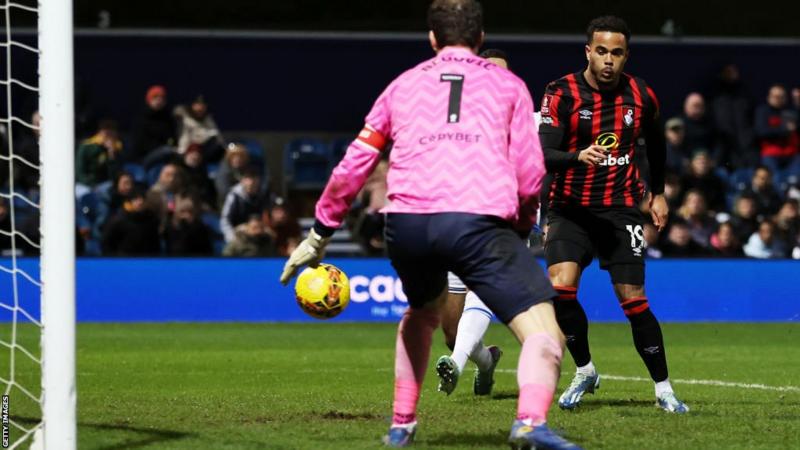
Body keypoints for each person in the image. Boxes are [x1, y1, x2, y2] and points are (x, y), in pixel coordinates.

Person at [280, 2, 579, 448]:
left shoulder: (403, 86)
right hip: (477, 220)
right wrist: (518, 226)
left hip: (406, 224)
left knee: (421, 312)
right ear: (480, 40)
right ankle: (531, 423)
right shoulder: (508, 86)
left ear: (433, 39)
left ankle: (402, 423)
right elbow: (531, 169)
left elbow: (355, 162)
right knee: (544, 333)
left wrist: (321, 231)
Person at [537, 15, 688, 413]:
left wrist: (657, 193)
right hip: (568, 208)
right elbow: (543, 152)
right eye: (601, 51)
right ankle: (585, 370)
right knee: (561, 288)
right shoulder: (561, 93)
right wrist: (576, 156)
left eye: (616, 53)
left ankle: (664, 389)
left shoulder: (642, 96)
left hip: (620, 210)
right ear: (588, 51)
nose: (608, 60)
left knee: (633, 300)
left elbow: (656, 147)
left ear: (626, 56)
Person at [435, 48, 513, 398]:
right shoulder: (455, 120)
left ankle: (456, 364)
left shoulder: (522, 118)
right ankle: (486, 361)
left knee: (482, 289)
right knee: (451, 331)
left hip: (500, 223)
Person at [754, 84, 800, 177]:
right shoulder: (763, 111)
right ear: (769, 97)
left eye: (781, 96)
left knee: (794, 182)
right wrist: (784, 130)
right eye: (775, 96)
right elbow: (762, 132)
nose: (778, 99)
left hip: (792, 154)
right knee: (775, 181)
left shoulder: (792, 112)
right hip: (771, 154)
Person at [101, 188, 161, 256]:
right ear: (130, 201)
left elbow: (155, 244)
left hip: (145, 261)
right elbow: (106, 243)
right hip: (122, 261)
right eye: (136, 199)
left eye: (142, 199)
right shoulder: (119, 219)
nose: (140, 202)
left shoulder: (151, 219)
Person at [130, 85, 176, 163]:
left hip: (165, 153)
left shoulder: (168, 118)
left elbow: (172, 138)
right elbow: (140, 143)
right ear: (149, 100)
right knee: (167, 151)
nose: (159, 100)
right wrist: (161, 148)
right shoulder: (141, 118)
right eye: (155, 97)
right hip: (144, 157)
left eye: (162, 98)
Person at [220, 167, 268, 243]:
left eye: (254, 178)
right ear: (242, 180)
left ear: (259, 180)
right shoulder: (234, 196)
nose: (251, 182)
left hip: (259, 232)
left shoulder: (264, 195)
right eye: (247, 179)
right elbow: (225, 220)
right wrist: (231, 237)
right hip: (239, 234)